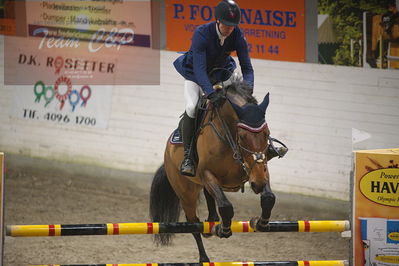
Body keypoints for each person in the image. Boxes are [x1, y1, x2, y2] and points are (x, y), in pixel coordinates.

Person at [174, 0, 286, 177]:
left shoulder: (237, 34)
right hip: (196, 75)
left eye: (233, 26)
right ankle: (188, 156)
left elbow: (247, 68)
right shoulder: (202, 34)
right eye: (226, 25)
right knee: (192, 107)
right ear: (218, 21)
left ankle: (268, 146)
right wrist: (210, 93)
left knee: (248, 106)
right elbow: (200, 70)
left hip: (221, 74)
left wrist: (247, 91)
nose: (230, 29)